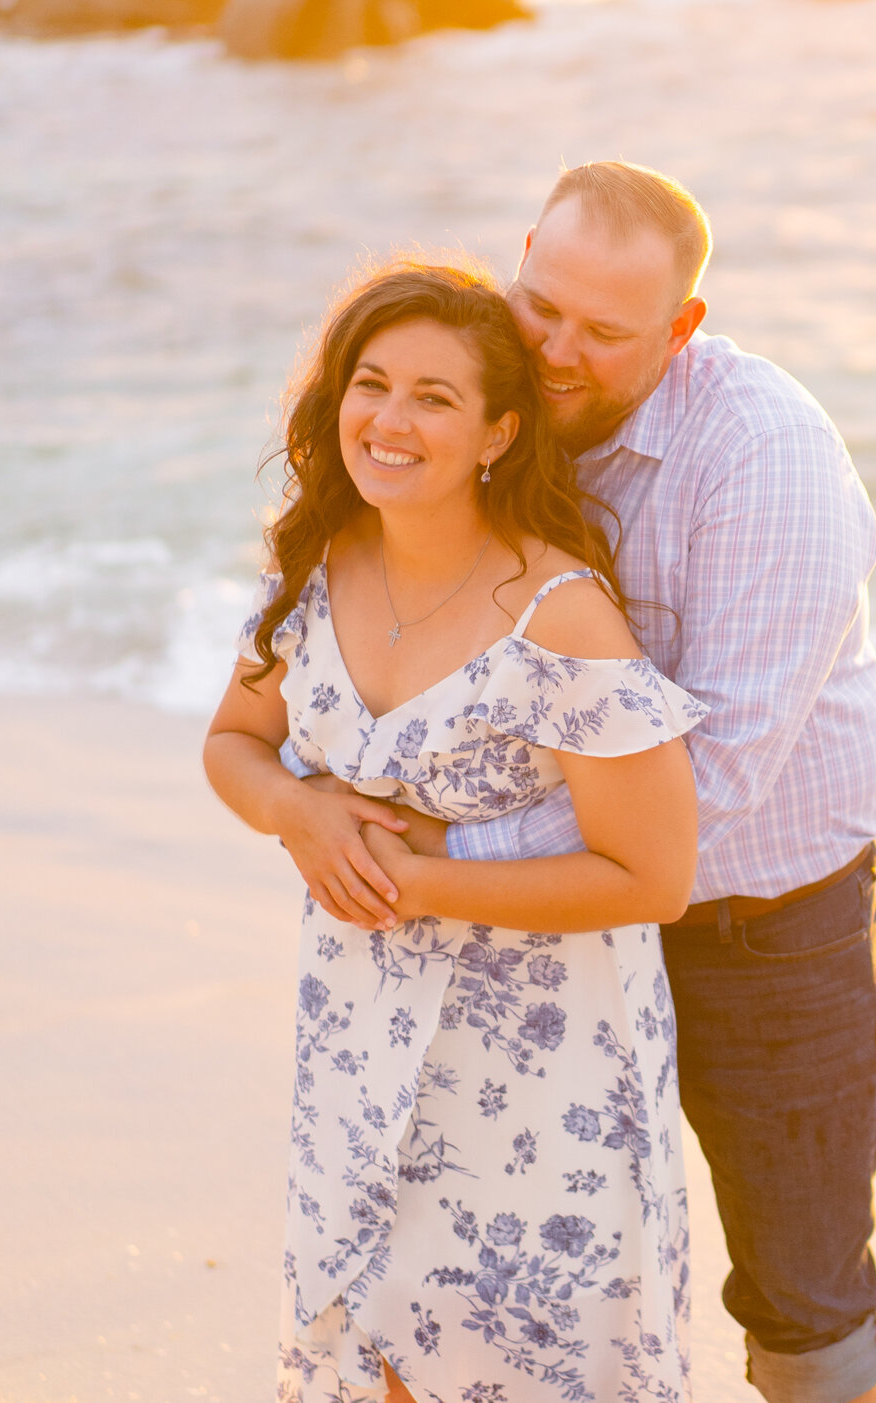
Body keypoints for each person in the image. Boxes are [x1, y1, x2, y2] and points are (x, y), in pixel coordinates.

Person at [373, 163, 876, 1403]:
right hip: (545, 928)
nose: (554, 350)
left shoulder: (764, 456)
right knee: (513, 1277)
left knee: (803, 1301)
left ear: (682, 329)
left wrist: (436, 867)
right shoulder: (496, 410)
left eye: (604, 333)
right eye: (540, 304)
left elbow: (708, 781)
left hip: (758, 930)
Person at [204, 261, 707, 1403]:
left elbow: (653, 873)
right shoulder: (314, 568)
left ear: (498, 431)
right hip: (358, 1039)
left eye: (434, 396)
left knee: (529, 1369)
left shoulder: (559, 614)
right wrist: (296, 810)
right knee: (375, 1352)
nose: (389, 418)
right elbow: (232, 739)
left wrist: (423, 887)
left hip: (543, 1070)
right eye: (371, 382)